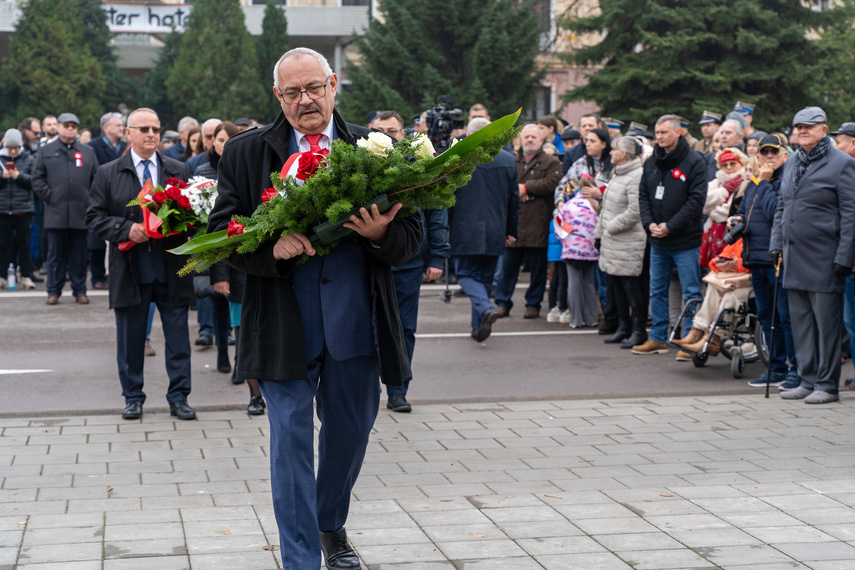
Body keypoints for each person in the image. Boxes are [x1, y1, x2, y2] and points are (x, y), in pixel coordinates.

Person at [207, 47, 422, 569]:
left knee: (350, 432)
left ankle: (329, 524)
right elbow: (221, 233)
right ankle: (300, 559)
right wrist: (270, 249)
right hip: (283, 325)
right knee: (291, 443)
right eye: (292, 92)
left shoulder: (377, 149)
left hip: (355, 323)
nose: (305, 100)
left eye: (314, 88)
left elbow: (413, 239)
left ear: (333, 84)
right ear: (276, 97)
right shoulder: (245, 153)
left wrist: (380, 235)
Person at [86, 107, 196, 421]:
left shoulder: (177, 169)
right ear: (129, 133)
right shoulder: (109, 172)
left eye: (156, 130)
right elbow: (93, 217)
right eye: (144, 129)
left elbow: (191, 212)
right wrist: (126, 229)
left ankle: (179, 398)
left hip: (171, 269)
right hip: (131, 270)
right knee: (130, 340)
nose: (151, 135)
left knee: (178, 341)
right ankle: (133, 397)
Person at [771, 107, 855, 404]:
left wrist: (845, 255)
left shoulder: (842, 164)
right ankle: (807, 379)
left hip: (825, 257)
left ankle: (827, 385)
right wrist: (776, 243)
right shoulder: (792, 162)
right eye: (798, 127)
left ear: (824, 130)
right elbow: (783, 206)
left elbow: (850, 214)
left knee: (827, 327)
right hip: (794, 256)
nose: (802, 131)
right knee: (802, 324)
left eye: (809, 126)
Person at [728, 133, 800, 389]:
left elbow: (774, 213)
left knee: (785, 317)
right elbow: (744, 209)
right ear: (758, 156)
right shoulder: (756, 181)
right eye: (764, 153)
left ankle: (795, 371)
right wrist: (736, 219)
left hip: (776, 259)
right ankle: (777, 369)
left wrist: (765, 182)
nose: (769, 157)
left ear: (784, 153)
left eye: (774, 152)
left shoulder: (785, 179)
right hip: (755, 258)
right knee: (767, 317)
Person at [633, 114, 706, 355]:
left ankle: (689, 338)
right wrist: (649, 223)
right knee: (657, 290)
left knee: (691, 291)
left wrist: (670, 226)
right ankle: (658, 337)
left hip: (684, 240)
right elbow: (643, 195)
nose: (659, 137)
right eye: (657, 132)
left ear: (678, 133)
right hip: (657, 239)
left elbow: (696, 201)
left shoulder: (694, 161)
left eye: (664, 132)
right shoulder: (652, 161)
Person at [450, 117, 519, 339]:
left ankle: (485, 310)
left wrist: (445, 228)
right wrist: (511, 230)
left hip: (465, 228)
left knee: (466, 276)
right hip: (495, 228)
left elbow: (447, 197)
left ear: (468, 135)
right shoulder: (508, 159)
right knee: (485, 280)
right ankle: (478, 327)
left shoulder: (458, 157)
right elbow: (513, 200)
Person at [494, 124, 562, 319]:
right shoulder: (510, 160)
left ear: (541, 140)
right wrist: (518, 191)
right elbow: (501, 185)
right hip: (513, 223)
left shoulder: (551, 162)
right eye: (526, 137)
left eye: (534, 137)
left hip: (538, 223)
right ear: (519, 140)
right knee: (507, 270)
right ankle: (502, 303)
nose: (530, 139)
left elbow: (553, 183)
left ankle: (533, 304)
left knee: (538, 270)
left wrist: (526, 188)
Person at [32, 113, 100, 305]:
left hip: (80, 212)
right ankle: (53, 291)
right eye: (66, 125)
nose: (70, 129)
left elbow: (97, 179)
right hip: (56, 211)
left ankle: (80, 290)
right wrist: (50, 196)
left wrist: (89, 201)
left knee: (78, 256)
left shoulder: (87, 152)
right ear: (59, 127)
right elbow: (37, 179)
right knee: (55, 256)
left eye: (73, 126)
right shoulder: (46, 151)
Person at [196, 122, 241, 374]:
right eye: (217, 139)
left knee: (238, 307)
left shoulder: (242, 167)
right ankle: (221, 352)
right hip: (212, 246)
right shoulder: (202, 169)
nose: (220, 144)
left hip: (237, 247)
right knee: (217, 303)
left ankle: (239, 360)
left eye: (225, 139)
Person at [594, 136, 647, 348]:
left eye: (614, 150)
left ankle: (638, 330)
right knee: (616, 285)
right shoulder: (619, 173)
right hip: (612, 239)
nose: (610, 153)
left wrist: (611, 227)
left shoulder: (636, 175)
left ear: (623, 154)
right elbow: (606, 207)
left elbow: (635, 211)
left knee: (631, 287)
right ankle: (623, 327)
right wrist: (601, 232)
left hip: (628, 240)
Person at [674, 238, 751, 355]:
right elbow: (723, 255)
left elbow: (760, 261)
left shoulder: (763, 237)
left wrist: (737, 265)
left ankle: (714, 337)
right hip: (736, 279)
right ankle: (697, 330)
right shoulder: (740, 238)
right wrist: (720, 263)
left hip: (754, 282)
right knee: (713, 288)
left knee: (730, 297)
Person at [88, 112, 128, 290]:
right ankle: (97, 276)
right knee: (97, 241)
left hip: (123, 198)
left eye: (122, 125)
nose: (122, 128)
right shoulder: (92, 147)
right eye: (118, 125)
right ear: (106, 128)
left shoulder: (126, 147)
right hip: (101, 196)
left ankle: (116, 274)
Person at [0, 129, 37, 290]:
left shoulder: (29, 159)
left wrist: (19, 177)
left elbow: (35, 181)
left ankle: (26, 276)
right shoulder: (1, 160)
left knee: (24, 245)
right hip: (3, 210)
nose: (13, 152)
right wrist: (2, 178)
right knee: (2, 245)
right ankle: (2, 277)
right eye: (10, 148)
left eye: (15, 148)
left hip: (24, 210)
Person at [701, 148, 748, 268]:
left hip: (733, 234)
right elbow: (702, 204)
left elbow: (727, 213)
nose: (728, 167)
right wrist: (725, 190)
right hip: (712, 233)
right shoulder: (715, 183)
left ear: (741, 163)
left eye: (733, 163)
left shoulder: (746, 182)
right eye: (724, 165)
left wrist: (711, 207)